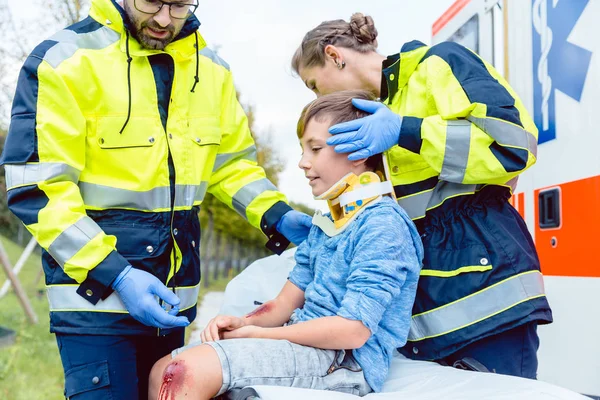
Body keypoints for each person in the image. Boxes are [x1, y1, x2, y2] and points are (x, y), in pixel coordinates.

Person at [0, 0, 311, 398]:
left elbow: (232, 164)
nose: (165, 19)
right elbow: (38, 188)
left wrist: (278, 213)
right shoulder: (64, 61)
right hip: (95, 302)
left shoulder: (211, 71)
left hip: (173, 304)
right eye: (151, 2)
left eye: (179, 5)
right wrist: (117, 274)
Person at [291, 13, 553, 379]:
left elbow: (511, 146)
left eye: (314, 84)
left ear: (334, 55)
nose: (320, 98)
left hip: (486, 303)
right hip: (425, 321)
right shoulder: (374, 116)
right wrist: (328, 233)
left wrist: (406, 131)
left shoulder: (438, 64)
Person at [146, 89, 424, 400]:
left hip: (347, 362)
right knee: (162, 369)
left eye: (315, 149)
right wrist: (242, 323)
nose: (303, 163)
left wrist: (263, 334)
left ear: (359, 154)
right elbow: (281, 306)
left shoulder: (383, 224)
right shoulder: (328, 222)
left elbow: (354, 330)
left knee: (184, 373)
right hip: (306, 345)